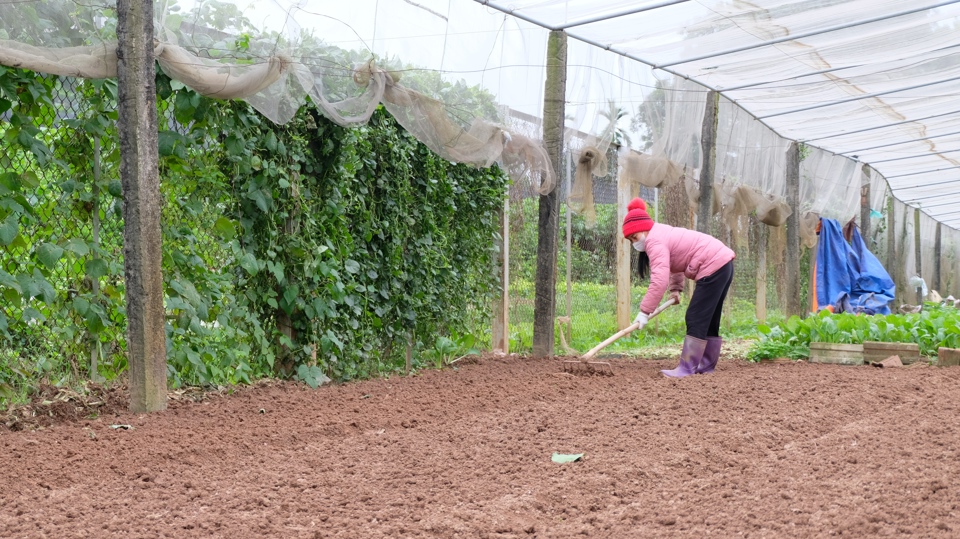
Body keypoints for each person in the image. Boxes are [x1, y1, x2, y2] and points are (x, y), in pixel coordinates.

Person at [622, 197, 736, 378]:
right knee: (709, 318)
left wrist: (645, 311)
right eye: (630, 240)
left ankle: (687, 367)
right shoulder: (662, 234)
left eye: (634, 237)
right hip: (723, 264)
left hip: (713, 265)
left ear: (644, 228)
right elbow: (676, 263)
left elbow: (659, 281)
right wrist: (675, 290)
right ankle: (705, 365)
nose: (634, 243)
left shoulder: (655, 241)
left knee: (695, 316)